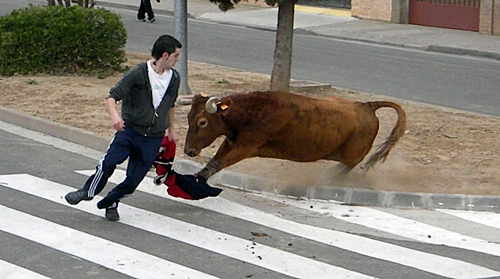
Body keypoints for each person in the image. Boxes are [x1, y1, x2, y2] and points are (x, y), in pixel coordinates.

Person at [65, 35, 182, 221]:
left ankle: (111, 202)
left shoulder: (174, 78)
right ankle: (87, 191)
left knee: (133, 179)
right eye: (176, 56)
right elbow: (111, 97)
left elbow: (171, 104)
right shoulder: (138, 72)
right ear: (165, 55)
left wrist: (171, 129)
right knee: (108, 163)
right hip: (130, 131)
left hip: (153, 137)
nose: (177, 60)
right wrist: (115, 117)